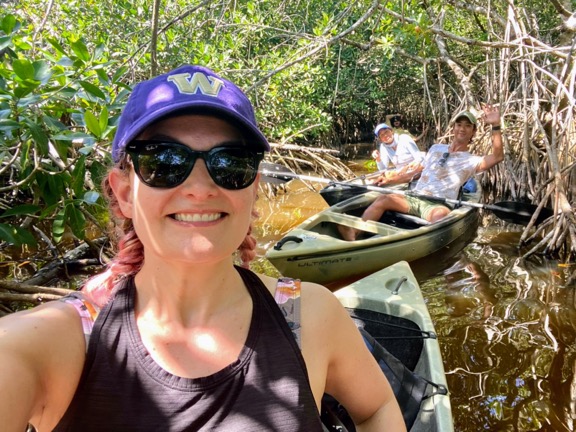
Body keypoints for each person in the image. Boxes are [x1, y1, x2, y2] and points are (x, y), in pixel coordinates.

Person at [0, 65, 405, 431]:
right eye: (163, 161)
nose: (199, 188)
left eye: (231, 163)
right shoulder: (51, 344)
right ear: (124, 192)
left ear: (253, 189)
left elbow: (376, 407)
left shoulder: (310, 316)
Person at [340, 107, 503, 241]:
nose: (462, 128)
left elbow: (497, 157)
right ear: (453, 128)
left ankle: (414, 243)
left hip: (437, 204)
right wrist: (391, 179)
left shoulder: (471, 160)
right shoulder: (435, 148)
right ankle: (354, 233)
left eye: (467, 126)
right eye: (459, 124)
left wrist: (495, 126)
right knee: (384, 198)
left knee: (440, 218)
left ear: (473, 132)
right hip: (414, 197)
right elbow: (416, 173)